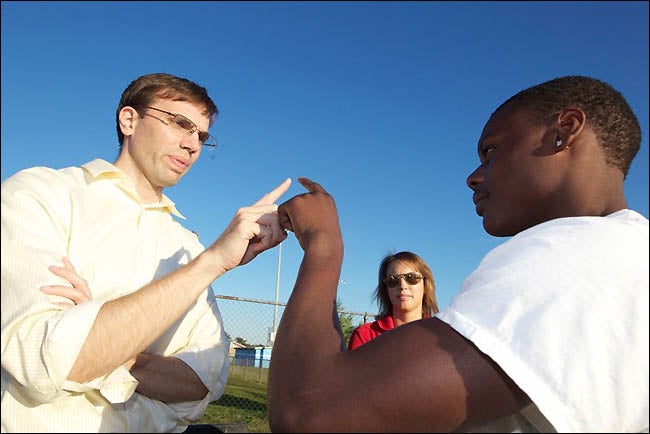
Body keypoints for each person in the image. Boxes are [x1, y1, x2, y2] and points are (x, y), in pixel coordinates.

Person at [268, 76, 649, 432]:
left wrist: (323, 244)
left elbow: (307, 414)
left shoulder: (569, 256)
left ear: (563, 131)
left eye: (490, 151)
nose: (474, 176)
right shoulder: (627, 253)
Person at [1, 73, 291, 433]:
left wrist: (106, 342)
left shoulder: (186, 246)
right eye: (180, 124)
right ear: (129, 120)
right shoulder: (43, 195)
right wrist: (214, 262)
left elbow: (202, 383)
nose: (192, 145)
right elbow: (44, 361)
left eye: (201, 135)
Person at [347, 251, 439, 350]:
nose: (402, 286)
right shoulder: (365, 336)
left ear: (425, 285)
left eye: (411, 278)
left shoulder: (442, 336)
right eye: (393, 280)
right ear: (386, 289)